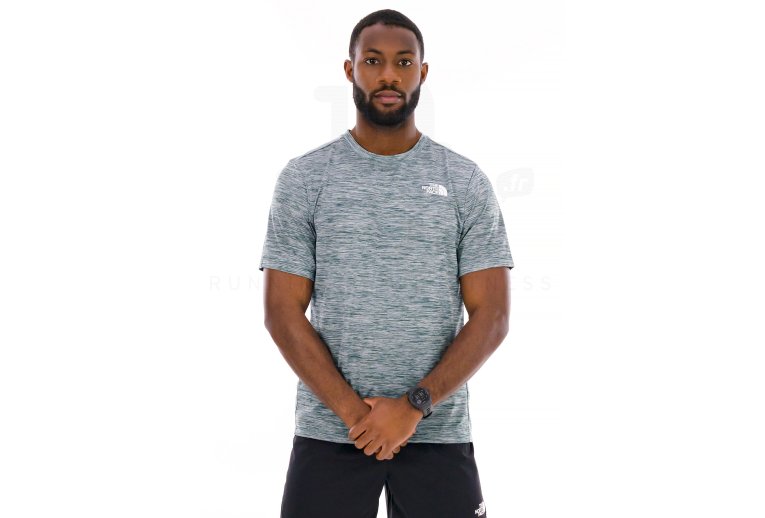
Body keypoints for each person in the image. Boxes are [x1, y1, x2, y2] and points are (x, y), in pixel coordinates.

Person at [259, 9, 513, 518]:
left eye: (404, 62)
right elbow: (281, 312)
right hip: (330, 432)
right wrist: (359, 417)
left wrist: (413, 407)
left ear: (423, 72)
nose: (389, 75)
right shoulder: (305, 179)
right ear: (350, 70)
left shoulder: (464, 181)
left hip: (437, 433)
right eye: (373, 61)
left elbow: (493, 316)